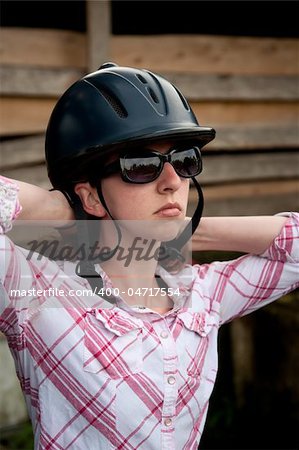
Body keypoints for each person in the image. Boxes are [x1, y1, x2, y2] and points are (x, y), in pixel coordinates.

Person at [0, 62, 298, 450]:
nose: (173, 181)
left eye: (185, 159)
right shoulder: (36, 295)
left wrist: (189, 231)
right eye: (141, 165)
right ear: (90, 195)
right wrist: (57, 208)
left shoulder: (201, 296)